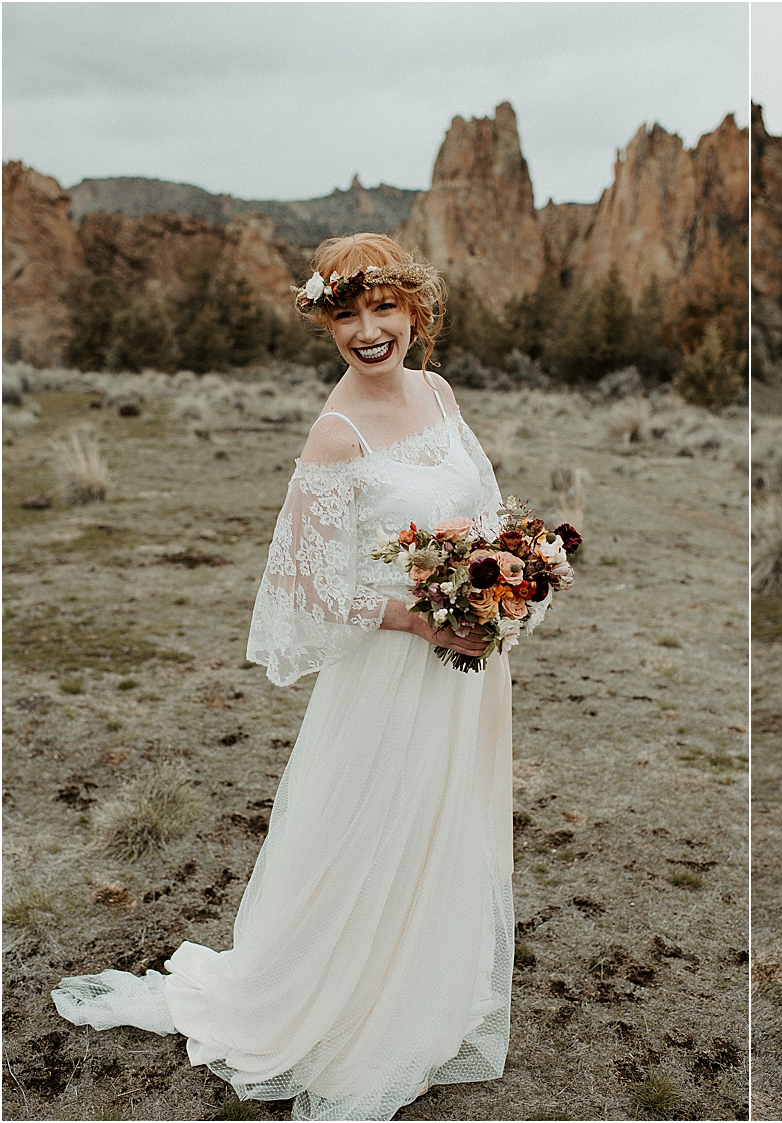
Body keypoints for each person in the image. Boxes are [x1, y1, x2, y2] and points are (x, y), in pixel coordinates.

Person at [53, 232, 516, 1121]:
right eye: (346, 316)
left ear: (416, 308)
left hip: (462, 665)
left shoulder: (440, 392)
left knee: (437, 828)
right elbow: (307, 586)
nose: (368, 331)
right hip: (392, 670)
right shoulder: (334, 434)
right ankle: (342, 1016)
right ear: (328, 326)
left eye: (383, 308)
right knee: (370, 834)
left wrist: (502, 580)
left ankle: (414, 1002)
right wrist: (418, 617)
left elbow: (481, 516)